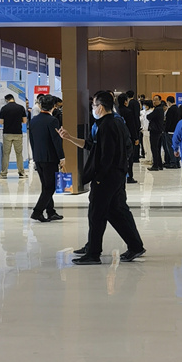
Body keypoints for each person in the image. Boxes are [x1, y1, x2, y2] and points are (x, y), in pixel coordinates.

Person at [63, 89, 145, 265]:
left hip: (107, 177)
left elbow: (107, 155)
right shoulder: (111, 123)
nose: (93, 108)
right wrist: (69, 138)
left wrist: (99, 177)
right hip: (116, 175)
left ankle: (93, 253)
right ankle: (135, 246)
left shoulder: (107, 125)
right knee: (116, 212)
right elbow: (93, 146)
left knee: (96, 214)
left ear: (100, 107)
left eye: (94, 105)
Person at [28, 94, 66, 222]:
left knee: (46, 186)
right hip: (50, 158)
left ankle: (51, 211)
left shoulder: (33, 120)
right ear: (54, 107)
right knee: (50, 187)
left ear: (40, 105)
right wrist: (62, 157)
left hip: (38, 157)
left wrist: (35, 156)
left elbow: (32, 140)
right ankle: (37, 212)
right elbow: (56, 141)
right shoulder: (52, 121)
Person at [0, 94, 28, 179]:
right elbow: (25, 121)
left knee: (6, 154)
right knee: (19, 154)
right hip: (18, 133)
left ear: (6, 100)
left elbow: (1, 122)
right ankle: (21, 173)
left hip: (7, 133)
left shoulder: (4, 108)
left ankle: (4, 173)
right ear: (13, 99)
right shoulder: (21, 108)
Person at [147, 94, 167, 171]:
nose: (154, 101)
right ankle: (159, 164)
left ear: (160, 101)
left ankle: (155, 165)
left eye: (156, 100)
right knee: (157, 148)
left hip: (155, 131)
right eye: (153, 100)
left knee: (154, 148)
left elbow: (148, 116)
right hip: (159, 131)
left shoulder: (157, 109)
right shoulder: (160, 109)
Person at [124, 88, 142, 171]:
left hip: (131, 124)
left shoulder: (129, 104)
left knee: (132, 141)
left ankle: (133, 156)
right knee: (137, 141)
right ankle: (137, 156)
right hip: (137, 123)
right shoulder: (137, 103)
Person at [163, 96, 180, 167]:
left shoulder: (170, 110)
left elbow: (168, 121)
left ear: (168, 102)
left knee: (170, 147)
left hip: (170, 131)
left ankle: (173, 162)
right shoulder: (178, 109)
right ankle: (177, 162)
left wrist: (165, 130)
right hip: (177, 131)